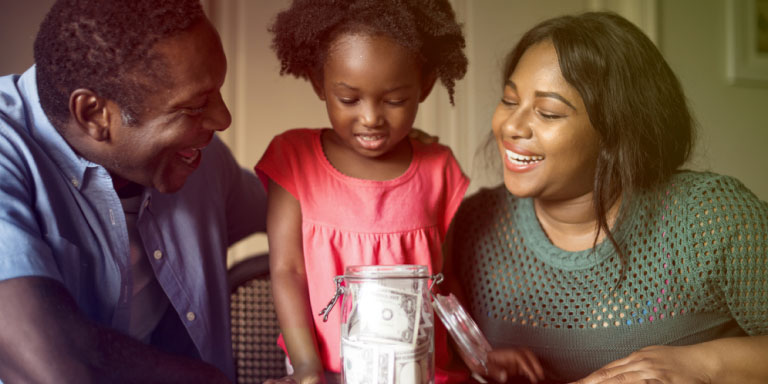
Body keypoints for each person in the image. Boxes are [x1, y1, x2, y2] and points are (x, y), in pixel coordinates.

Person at [445, 11, 768, 384]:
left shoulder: (709, 217)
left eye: (548, 113)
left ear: (617, 130)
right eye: (509, 100)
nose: (512, 126)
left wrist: (705, 365)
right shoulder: (474, 226)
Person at [0, 0, 266, 382]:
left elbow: (302, 208)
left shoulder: (200, 160)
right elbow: (55, 365)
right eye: (194, 107)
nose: (223, 119)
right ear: (94, 115)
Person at [255, 0, 471, 382]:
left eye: (394, 100)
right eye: (349, 99)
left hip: (419, 372)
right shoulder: (293, 160)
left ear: (426, 84)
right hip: (324, 371)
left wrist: (475, 356)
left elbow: (445, 281)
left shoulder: (439, 168)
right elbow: (287, 272)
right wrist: (306, 366)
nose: (371, 118)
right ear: (317, 82)